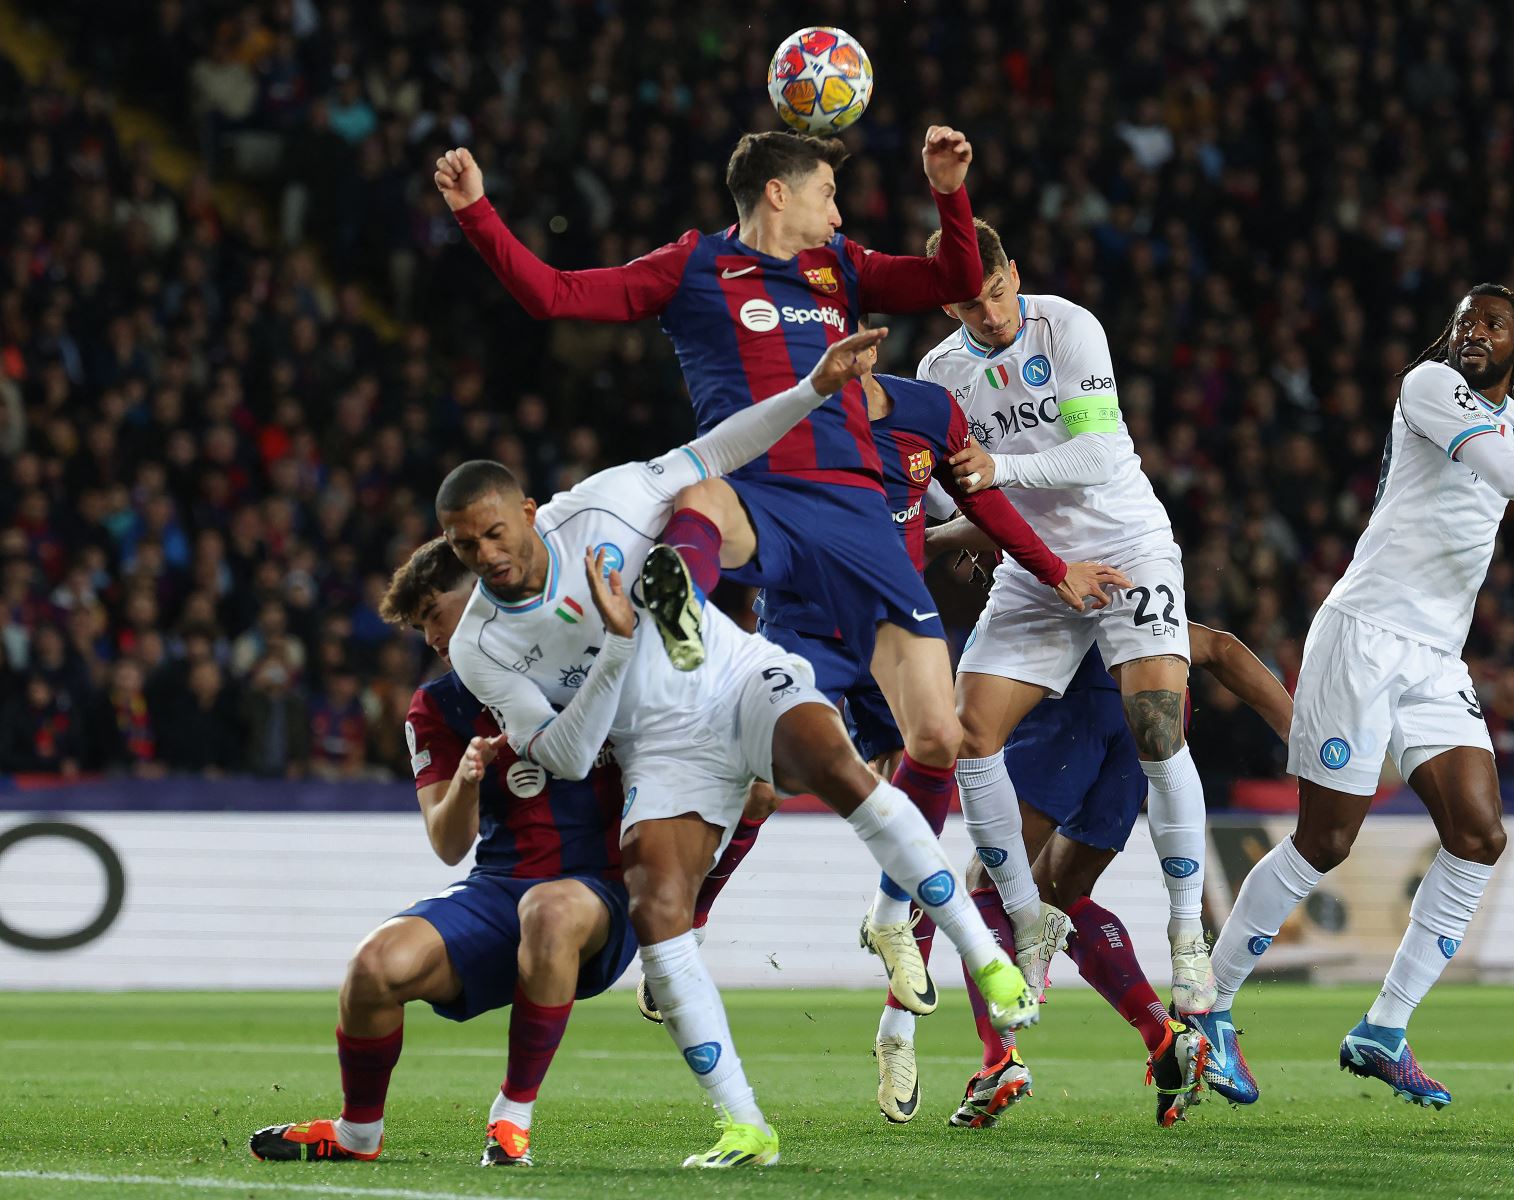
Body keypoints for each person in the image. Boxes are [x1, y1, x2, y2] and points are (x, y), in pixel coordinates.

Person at [435, 132, 1062, 1005]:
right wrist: (476, 212)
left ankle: (895, 909)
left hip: (857, 515)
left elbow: (952, 279)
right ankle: (676, 607)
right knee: (700, 499)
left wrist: (950, 192)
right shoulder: (691, 267)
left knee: (935, 739)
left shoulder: (838, 264)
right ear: (778, 192)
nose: (840, 212)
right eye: (829, 193)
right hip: (759, 491)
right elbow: (551, 294)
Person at [436, 333, 1036, 1170]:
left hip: (729, 674)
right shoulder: (478, 647)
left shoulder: (605, 503)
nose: (487, 558)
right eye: (466, 550)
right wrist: (615, 649)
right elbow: (568, 759)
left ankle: (983, 955)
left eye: (495, 534)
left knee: (834, 765)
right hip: (653, 745)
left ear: (530, 511)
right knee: (657, 910)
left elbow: (720, 447)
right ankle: (744, 1125)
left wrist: (813, 389)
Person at [1201, 284, 1514, 1110]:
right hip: (1365, 635)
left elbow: (1504, 473)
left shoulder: (1507, 417)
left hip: (1435, 657)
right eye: (1465, 321)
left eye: (1493, 325)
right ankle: (1209, 1008)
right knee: (1327, 841)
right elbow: (1510, 477)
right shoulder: (1430, 388)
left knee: (1478, 834)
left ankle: (1384, 1029)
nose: (1472, 332)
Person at [248, 537, 634, 1169]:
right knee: (374, 967)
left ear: (483, 589)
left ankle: (512, 1117)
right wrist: (467, 780)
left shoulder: (583, 656)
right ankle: (357, 1134)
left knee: (550, 909)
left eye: (434, 613)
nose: (428, 636)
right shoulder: (438, 705)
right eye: (419, 623)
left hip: (598, 894)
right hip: (498, 887)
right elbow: (448, 845)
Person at [915, 218, 1212, 1016]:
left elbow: (1096, 455)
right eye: (971, 304)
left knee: (1157, 727)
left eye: (999, 291)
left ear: (1016, 271)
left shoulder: (1070, 326)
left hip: (1127, 545)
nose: (991, 314)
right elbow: (961, 492)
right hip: (1038, 566)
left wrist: (996, 470)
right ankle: (1023, 919)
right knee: (967, 737)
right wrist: (949, 528)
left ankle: (1189, 938)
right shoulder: (940, 373)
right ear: (947, 308)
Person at [921, 523, 1294, 1129]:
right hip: (1146, 727)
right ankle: (1164, 1036)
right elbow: (1222, 647)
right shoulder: (1129, 582)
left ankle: (999, 1059)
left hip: (1075, 711)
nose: (985, 566)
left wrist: (953, 538)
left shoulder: (1052, 584)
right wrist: (1298, 738)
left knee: (990, 882)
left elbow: (1012, 524)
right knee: (1064, 892)